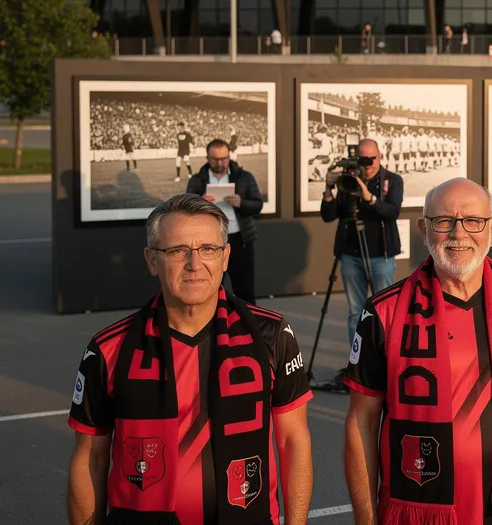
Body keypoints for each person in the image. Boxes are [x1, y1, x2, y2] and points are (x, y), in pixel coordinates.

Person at [67, 194, 313, 525]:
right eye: (177, 250)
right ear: (151, 260)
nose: (194, 264)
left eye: (208, 249)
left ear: (226, 257)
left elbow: (293, 441)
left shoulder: (271, 335)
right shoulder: (108, 348)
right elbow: (90, 459)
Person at [344, 178, 492, 525]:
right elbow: (362, 421)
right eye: (444, 221)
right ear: (424, 229)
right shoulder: (384, 311)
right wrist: (366, 519)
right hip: (418, 515)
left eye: (473, 221)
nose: (459, 233)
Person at [320, 138, 404, 347]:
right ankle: (356, 360)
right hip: (351, 255)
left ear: (380, 156)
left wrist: (369, 198)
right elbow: (328, 216)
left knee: (383, 311)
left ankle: (384, 359)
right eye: (363, 160)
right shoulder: (348, 181)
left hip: (381, 256)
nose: (367, 165)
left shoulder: (392, 180)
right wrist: (329, 190)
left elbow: (392, 212)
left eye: (371, 159)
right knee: (356, 312)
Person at [186, 138, 265, 304]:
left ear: (229, 156)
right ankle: (214, 321)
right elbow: (186, 209)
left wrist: (241, 203)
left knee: (245, 291)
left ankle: (246, 320)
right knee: (211, 291)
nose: (220, 163)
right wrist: (200, 202)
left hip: (239, 240)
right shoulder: (197, 180)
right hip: (208, 243)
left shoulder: (244, 177)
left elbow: (257, 205)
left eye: (224, 158)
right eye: (215, 159)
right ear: (208, 158)